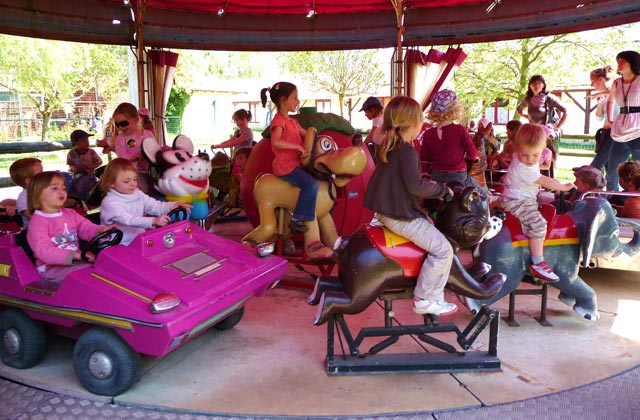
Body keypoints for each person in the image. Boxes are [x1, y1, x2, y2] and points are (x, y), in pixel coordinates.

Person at [364, 96, 456, 316]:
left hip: (387, 212)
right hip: (399, 216)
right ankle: (427, 297)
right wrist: (442, 190)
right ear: (415, 124)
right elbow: (415, 186)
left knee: (430, 224)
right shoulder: (408, 151)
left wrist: (426, 183)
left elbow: (405, 181)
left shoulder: (390, 146)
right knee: (444, 250)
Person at [259, 82, 333, 260]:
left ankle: (326, 213)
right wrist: (297, 147)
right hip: (286, 166)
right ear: (283, 100)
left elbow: (306, 134)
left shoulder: (292, 121)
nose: (297, 101)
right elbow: (276, 142)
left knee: (323, 181)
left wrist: (315, 133)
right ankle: (297, 219)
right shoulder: (278, 121)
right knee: (310, 184)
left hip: (296, 164)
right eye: (294, 97)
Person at [499, 123, 575, 282]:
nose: (530, 159)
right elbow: (542, 180)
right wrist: (563, 187)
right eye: (525, 155)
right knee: (539, 224)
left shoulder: (526, 159)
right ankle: (538, 262)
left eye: (536, 155)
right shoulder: (523, 167)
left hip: (524, 198)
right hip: (517, 202)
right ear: (517, 149)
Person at [26, 171, 113, 281]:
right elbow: (44, 251)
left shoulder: (70, 214)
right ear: (37, 193)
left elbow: (86, 228)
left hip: (75, 262)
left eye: (64, 188)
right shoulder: (38, 222)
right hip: (50, 268)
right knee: (89, 273)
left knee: (107, 266)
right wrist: (74, 255)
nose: (62, 192)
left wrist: (101, 230)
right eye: (55, 188)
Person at [99, 158, 189, 246]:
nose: (133, 184)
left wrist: (172, 206)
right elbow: (128, 219)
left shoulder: (137, 193)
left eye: (135, 179)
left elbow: (155, 206)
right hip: (117, 244)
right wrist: (153, 221)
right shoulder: (109, 202)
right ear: (112, 183)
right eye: (127, 181)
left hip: (138, 239)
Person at [420, 89, 480, 188]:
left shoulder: (428, 134)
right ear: (455, 110)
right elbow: (473, 155)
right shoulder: (460, 130)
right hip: (458, 177)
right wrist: (474, 158)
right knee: (481, 194)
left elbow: (423, 158)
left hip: (436, 176)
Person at [606, 50, 640, 191]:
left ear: (632, 62)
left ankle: (637, 207)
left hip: (638, 129)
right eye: (618, 60)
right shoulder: (617, 82)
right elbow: (610, 101)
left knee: (638, 174)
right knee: (612, 172)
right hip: (620, 130)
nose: (619, 64)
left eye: (622, 61)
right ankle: (612, 203)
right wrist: (610, 118)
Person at [112, 102, 155, 193]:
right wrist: (134, 157)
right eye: (117, 124)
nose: (120, 127)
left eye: (124, 123)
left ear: (136, 119)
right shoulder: (120, 139)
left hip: (151, 170)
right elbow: (122, 155)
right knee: (140, 188)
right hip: (132, 173)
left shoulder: (148, 134)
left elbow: (154, 150)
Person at [588, 66, 618, 189]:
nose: (592, 84)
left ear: (601, 80)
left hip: (614, 132)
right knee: (609, 169)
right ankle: (609, 197)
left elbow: (615, 93)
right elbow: (599, 118)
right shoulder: (604, 97)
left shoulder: (616, 90)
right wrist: (599, 103)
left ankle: (590, 191)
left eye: (593, 81)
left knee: (596, 165)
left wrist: (600, 93)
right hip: (605, 132)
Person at [516, 75, 567, 139]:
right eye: (534, 84)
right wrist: (529, 117)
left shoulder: (549, 98)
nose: (536, 86)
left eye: (539, 83)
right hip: (534, 133)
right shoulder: (528, 99)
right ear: (530, 86)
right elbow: (519, 110)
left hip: (547, 134)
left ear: (543, 85)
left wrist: (558, 127)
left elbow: (565, 111)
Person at [67, 129, 102, 202]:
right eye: (83, 140)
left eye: (87, 140)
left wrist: (91, 166)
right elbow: (70, 163)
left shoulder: (91, 152)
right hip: (77, 176)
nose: (87, 142)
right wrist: (73, 167)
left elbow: (99, 162)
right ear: (75, 142)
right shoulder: (71, 153)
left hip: (91, 176)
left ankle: (85, 201)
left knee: (84, 186)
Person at [9, 157, 43, 228]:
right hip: (35, 231)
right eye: (41, 173)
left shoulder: (45, 190)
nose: (44, 175)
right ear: (28, 180)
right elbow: (34, 219)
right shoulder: (23, 199)